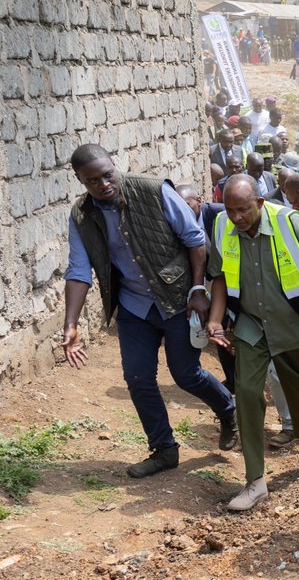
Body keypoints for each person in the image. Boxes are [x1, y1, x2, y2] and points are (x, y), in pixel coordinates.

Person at [62, 145, 237, 478]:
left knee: (186, 374)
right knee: (138, 378)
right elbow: (78, 271)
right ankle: (164, 449)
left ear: (115, 167)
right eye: (93, 180)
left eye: (107, 175)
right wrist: (71, 324)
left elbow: (195, 239)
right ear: (81, 181)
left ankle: (227, 408)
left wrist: (198, 289)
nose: (103, 184)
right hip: (134, 307)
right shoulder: (82, 215)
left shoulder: (154, 190)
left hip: (178, 301)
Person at [204, 175, 299, 511]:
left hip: (293, 323)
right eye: (231, 210)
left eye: (244, 210)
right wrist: (216, 319)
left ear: (259, 203)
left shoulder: (288, 223)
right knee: (246, 392)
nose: (236, 218)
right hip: (250, 326)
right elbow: (218, 276)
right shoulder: (221, 226)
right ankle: (255, 482)